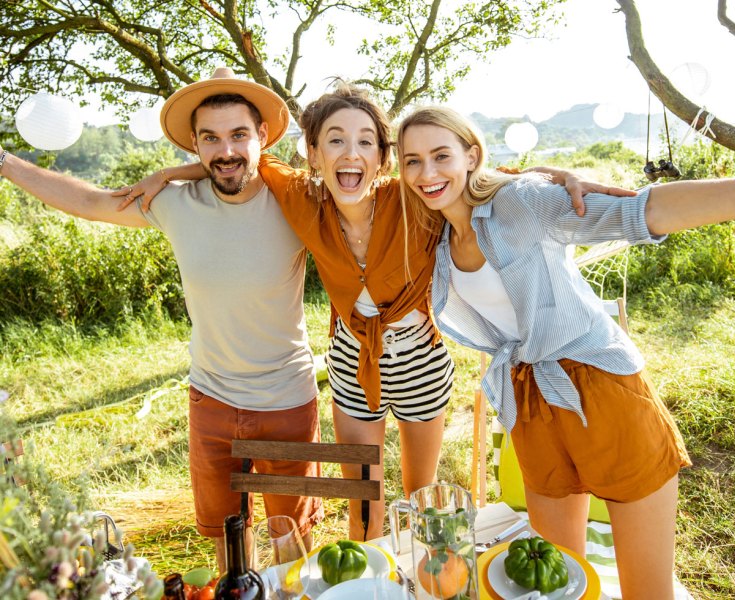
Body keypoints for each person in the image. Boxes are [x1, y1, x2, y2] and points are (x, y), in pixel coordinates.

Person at [120, 83, 634, 540]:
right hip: (351, 363)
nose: (350, 153)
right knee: (362, 495)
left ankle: (423, 578)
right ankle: (369, 579)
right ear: (314, 153)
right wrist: (170, 172)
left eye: (366, 141)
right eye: (336, 141)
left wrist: (557, 173)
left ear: (385, 156)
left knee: (420, 492)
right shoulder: (302, 197)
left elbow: (478, 177)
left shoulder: (412, 197)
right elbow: (237, 159)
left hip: (421, 361)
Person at [395, 105, 735, 600]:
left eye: (441, 155)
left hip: (600, 387)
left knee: (646, 592)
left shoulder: (519, 203)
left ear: (471, 155)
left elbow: (644, 211)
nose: (427, 172)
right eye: (412, 161)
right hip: (531, 401)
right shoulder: (437, 240)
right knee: (555, 584)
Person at [0, 68, 323, 571]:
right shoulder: (172, 203)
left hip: (285, 401)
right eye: (211, 139)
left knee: (290, 544)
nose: (226, 151)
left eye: (239, 134)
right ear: (195, 144)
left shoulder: (295, 200)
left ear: (262, 135)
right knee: (228, 545)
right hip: (211, 402)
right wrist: (4, 163)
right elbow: (91, 202)